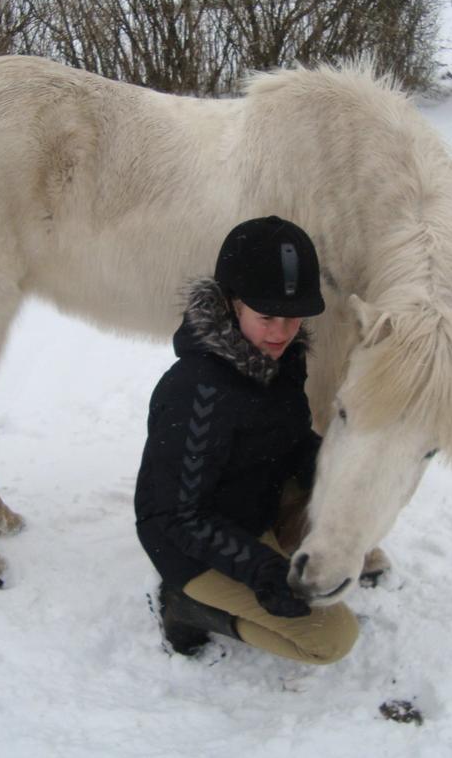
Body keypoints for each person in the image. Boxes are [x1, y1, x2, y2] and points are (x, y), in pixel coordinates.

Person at [134, 216, 359, 664]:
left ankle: (276, 547)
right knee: (331, 640)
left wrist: (343, 470)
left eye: (293, 317)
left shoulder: (279, 358)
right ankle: (189, 607)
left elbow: (290, 441)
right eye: (267, 315)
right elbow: (177, 516)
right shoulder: (195, 390)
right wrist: (262, 570)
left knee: (350, 504)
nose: (281, 332)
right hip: (189, 543)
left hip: (255, 503)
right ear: (231, 304)